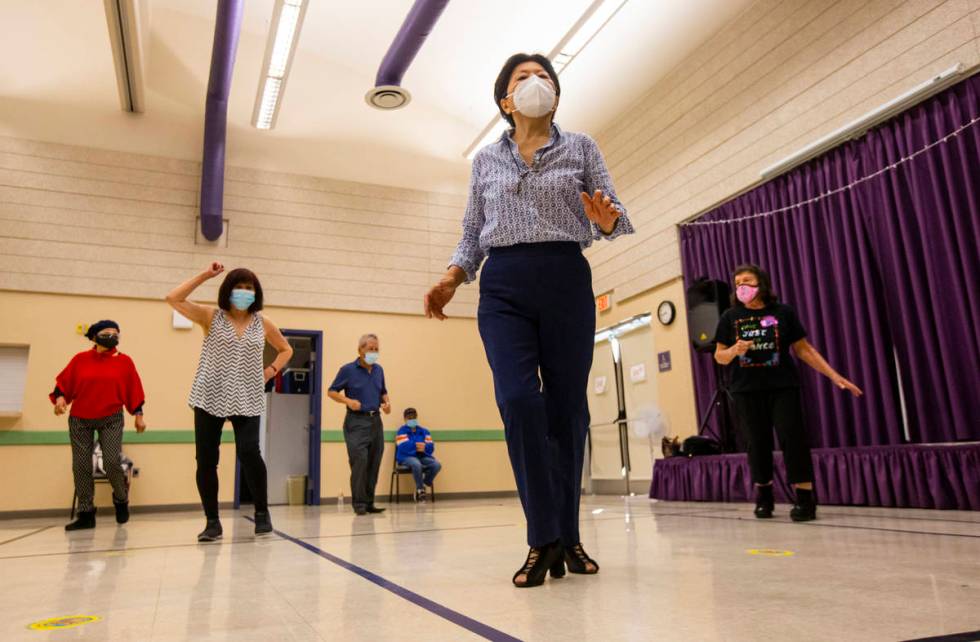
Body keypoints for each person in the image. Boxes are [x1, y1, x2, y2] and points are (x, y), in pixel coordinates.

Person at [424, 53, 634, 588]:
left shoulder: (581, 146)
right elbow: (471, 230)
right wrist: (451, 278)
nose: (537, 83)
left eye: (545, 77)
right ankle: (541, 537)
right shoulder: (485, 161)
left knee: (568, 414)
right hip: (503, 284)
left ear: (556, 96)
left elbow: (611, 212)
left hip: (565, 275)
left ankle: (568, 535)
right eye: (524, 78)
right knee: (518, 402)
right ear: (505, 101)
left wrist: (606, 221)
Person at [713, 264, 863, 522]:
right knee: (756, 443)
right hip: (746, 390)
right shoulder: (730, 317)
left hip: (783, 386)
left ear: (761, 283)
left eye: (746, 281)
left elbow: (804, 349)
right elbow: (720, 356)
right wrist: (734, 351)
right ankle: (764, 496)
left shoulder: (783, 312)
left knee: (793, 439)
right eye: (737, 283)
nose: (741, 287)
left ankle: (805, 499)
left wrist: (834, 376)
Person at [166, 262, 293, 542]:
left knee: (249, 451)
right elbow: (173, 298)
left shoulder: (263, 323)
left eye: (249, 288)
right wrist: (205, 275)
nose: (244, 292)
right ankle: (212, 521)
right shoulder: (211, 316)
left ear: (256, 293)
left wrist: (270, 371)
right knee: (206, 460)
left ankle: (262, 513)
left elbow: (286, 349)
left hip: (247, 395)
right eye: (239, 287)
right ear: (228, 290)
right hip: (209, 394)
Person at [51, 320, 146, 531]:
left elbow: (134, 391)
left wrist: (138, 415)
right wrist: (60, 399)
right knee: (81, 466)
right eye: (106, 332)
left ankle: (121, 499)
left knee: (112, 461)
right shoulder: (80, 360)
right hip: (80, 419)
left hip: (111, 418)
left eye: (115, 332)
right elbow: (62, 385)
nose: (112, 335)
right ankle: (85, 514)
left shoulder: (125, 362)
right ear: (94, 337)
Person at [327, 334, 391, 516]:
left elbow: (383, 392)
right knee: (360, 462)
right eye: (370, 348)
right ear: (360, 350)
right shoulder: (348, 370)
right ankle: (359, 503)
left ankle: (370, 502)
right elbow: (331, 391)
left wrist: (387, 403)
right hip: (356, 421)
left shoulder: (379, 370)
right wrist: (347, 401)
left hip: (376, 421)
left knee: (374, 462)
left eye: (376, 349)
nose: (374, 352)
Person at [395, 408, 441, 502]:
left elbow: (431, 446)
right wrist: (416, 446)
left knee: (436, 465)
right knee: (416, 464)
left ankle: (424, 484)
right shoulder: (401, 431)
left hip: (422, 456)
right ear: (405, 419)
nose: (412, 419)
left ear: (417, 417)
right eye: (409, 417)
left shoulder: (424, 431)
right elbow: (403, 446)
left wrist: (425, 447)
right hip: (406, 457)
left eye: (414, 417)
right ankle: (420, 490)